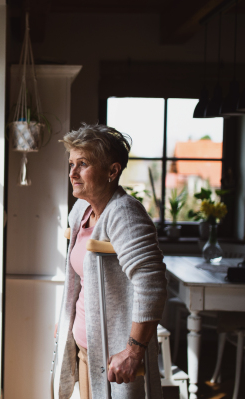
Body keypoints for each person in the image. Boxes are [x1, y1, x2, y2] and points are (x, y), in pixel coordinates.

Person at [51, 124, 167, 399]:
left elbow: (152, 285)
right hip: (86, 348)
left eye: (83, 164)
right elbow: (83, 277)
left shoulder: (125, 215)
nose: (72, 173)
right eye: (71, 164)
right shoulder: (82, 209)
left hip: (112, 356)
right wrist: (68, 320)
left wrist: (133, 351)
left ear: (112, 171)